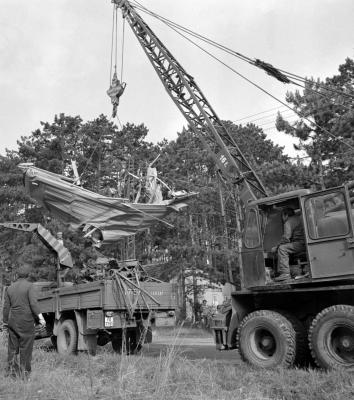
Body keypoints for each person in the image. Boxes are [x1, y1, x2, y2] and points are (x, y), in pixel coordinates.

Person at [2, 263, 46, 379]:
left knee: (12, 349)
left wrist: (5, 322)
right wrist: (41, 318)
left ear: (17, 275)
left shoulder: (9, 288)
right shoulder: (30, 286)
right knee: (25, 349)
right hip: (26, 322)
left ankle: (12, 373)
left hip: (13, 322)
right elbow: (33, 303)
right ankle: (25, 375)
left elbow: (6, 307)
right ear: (28, 275)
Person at [273, 207, 306, 282]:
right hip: (304, 243)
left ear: (286, 215)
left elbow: (286, 238)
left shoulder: (288, 222)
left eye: (282, 216)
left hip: (300, 244)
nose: (282, 218)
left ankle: (285, 274)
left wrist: (276, 247)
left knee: (282, 248)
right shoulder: (299, 218)